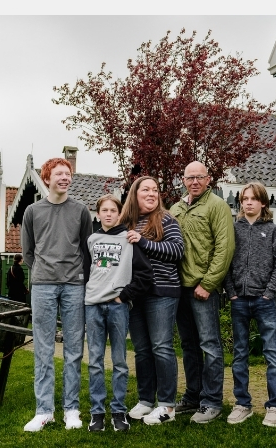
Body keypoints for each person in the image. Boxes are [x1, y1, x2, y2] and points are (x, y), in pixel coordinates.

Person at [21, 156, 94, 432]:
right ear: (47, 178)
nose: (65, 178)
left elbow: (86, 250)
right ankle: (44, 411)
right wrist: (43, 272)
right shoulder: (32, 211)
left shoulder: (81, 211)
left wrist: (77, 276)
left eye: (68, 174)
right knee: (43, 349)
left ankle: (71, 409)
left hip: (74, 286)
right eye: (59, 174)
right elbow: (28, 253)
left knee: (74, 349)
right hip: (42, 286)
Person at [170, 163, 235, 425]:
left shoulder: (217, 206)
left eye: (200, 177)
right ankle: (192, 397)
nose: (195, 181)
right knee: (188, 345)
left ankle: (212, 401)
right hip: (179, 289)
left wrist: (208, 284)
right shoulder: (175, 209)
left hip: (203, 289)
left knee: (210, 345)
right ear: (183, 180)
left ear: (208, 179)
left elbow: (225, 247)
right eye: (190, 177)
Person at [85, 194, 154, 433]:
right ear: (98, 214)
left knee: (120, 362)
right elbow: (85, 271)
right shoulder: (92, 239)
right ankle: (97, 413)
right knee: (94, 361)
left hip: (117, 307)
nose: (108, 214)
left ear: (119, 213)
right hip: (93, 305)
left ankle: (118, 411)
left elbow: (145, 275)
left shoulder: (129, 239)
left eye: (113, 210)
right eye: (104, 210)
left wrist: (124, 296)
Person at [121, 176, 184, 424]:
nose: (151, 194)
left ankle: (167, 406)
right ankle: (146, 400)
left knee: (161, 347)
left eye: (155, 190)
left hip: (162, 292)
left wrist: (144, 242)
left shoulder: (166, 219)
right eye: (145, 190)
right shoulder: (126, 223)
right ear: (135, 195)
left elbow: (178, 250)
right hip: (136, 295)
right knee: (142, 350)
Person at [225, 182, 276, 429]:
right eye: (244, 199)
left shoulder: (272, 230)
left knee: (272, 353)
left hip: (264, 302)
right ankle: (242, 404)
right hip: (239, 301)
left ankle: (275, 406)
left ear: (263, 203)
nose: (248, 203)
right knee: (240, 354)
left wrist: (269, 293)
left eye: (253, 199)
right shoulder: (233, 229)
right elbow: (225, 261)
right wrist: (231, 292)